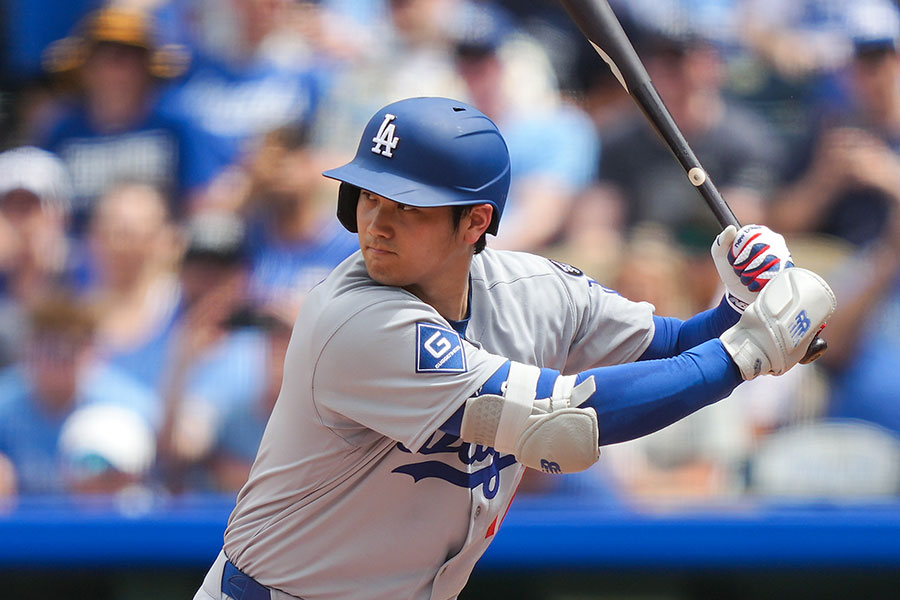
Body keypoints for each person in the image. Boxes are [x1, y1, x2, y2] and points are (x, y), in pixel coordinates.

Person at [193, 97, 834, 600]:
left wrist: (736, 306)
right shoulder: (353, 319)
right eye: (367, 194)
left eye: (406, 206)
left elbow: (662, 347)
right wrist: (744, 354)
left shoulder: (532, 290)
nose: (374, 221)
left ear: (474, 220)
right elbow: (570, 421)